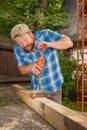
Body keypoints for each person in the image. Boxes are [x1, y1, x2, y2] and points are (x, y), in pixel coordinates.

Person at [11, 23, 73, 104]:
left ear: (30, 33)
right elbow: (22, 69)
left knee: (55, 115)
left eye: (25, 40)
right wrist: (31, 67)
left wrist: (49, 44)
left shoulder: (46, 34)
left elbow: (69, 43)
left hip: (54, 87)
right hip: (36, 90)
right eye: (20, 43)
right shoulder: (17, 48)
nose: (23, 45)